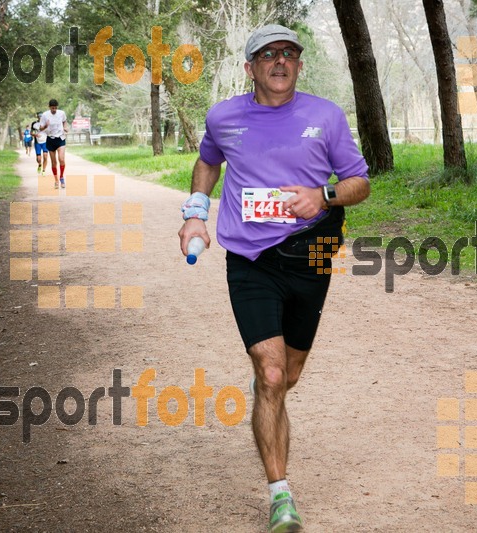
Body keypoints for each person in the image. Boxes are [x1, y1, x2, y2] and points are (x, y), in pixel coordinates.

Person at [177, 24, 370, 533]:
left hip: (312, 255)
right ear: (251, 67)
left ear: (299, 64)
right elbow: (206, 162)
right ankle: (280, 495)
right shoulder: (224, 117)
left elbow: (359, 182)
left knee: (290, 376)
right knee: (272, 374)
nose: (279, 61)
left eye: (288, 53)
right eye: (268, 55)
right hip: (250, 259)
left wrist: (323, 196)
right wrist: (195, 212)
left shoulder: (324, 116)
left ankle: (270, 396)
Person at [39, 99, 68, 189]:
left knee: (61, 159)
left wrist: (65, 127)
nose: (54, 109)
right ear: (49, 107)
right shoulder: (45, 115)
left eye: (55, 108)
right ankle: (56, 180)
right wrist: (46, 126)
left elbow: (64, 121)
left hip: (60, 138)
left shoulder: (61, 113)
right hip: (50, 139)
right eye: (52, 108)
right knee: (54, 162)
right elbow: (40, 128)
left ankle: (61, 177)